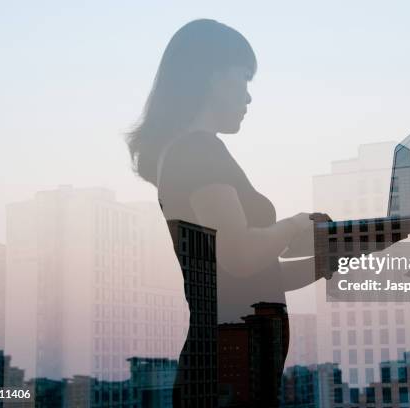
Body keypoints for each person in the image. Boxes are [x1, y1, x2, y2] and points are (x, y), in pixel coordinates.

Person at [126, 19, 321, 407]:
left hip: (230, 366)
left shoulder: (191, 151)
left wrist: (333, 260)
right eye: (243, 79)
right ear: (211, 76)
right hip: (227, 369)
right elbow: (243, 255)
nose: (248, 97)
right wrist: (297, 223)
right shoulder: (197, 151)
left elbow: (253, 275)